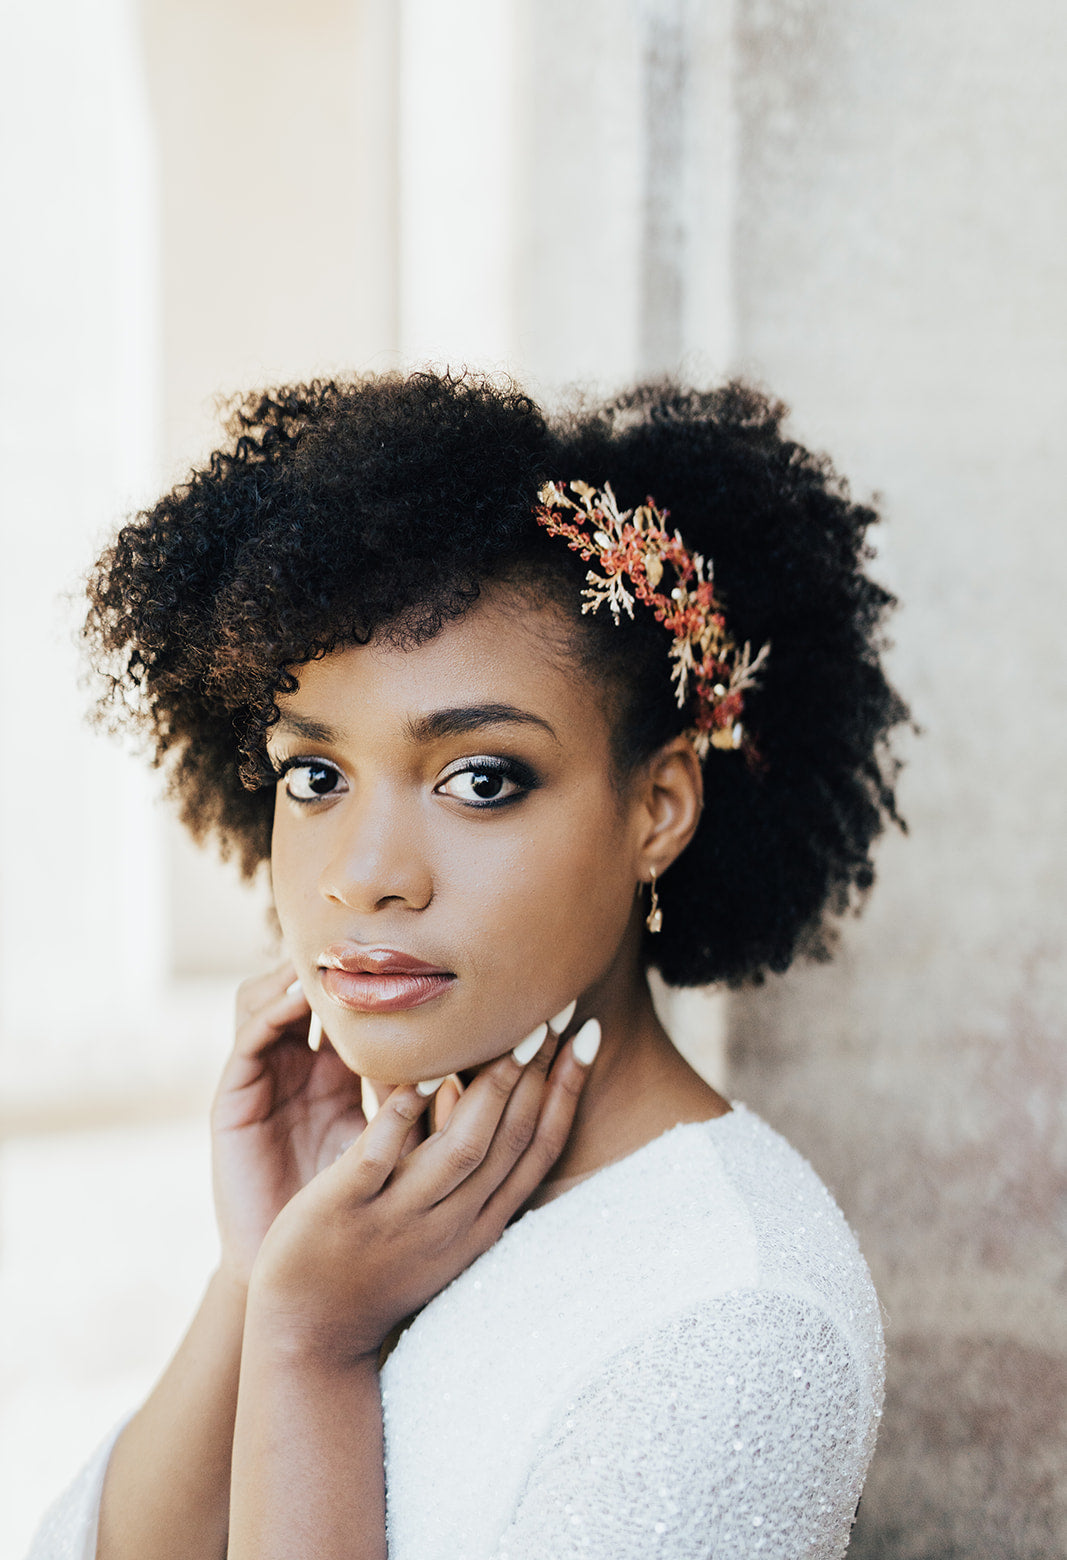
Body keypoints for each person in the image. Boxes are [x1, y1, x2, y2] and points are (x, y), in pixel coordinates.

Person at [28, 371, 907, 1560]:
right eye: (314, 776)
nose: (362, 875)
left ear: (655, 807)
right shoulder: (365, 1219)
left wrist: (312, 1346)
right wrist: (259, 1270)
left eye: (480, 778)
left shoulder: (736, 1315)